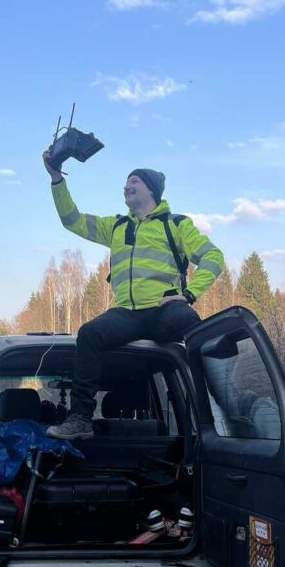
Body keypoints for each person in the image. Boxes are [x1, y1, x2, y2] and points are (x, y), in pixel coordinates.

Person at [42, 149, 225, 440]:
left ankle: (221, 405)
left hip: (163, 308)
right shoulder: (116, 226)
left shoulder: (175, 224)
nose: (127, 185)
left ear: (151, 189)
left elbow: (214, 257)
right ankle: (80, 420)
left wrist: (189, 293)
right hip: (126, 312)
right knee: (89, 333)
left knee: (191, 324)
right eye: (126, 182)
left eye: (134, 181)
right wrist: (56, 179)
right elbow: (71, 219)